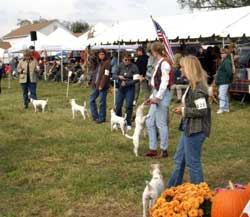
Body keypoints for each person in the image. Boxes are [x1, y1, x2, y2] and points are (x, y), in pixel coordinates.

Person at [168, 55, 211, 187]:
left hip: (196, 129)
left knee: (193, 163)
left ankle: (200, 195)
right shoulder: (192, 85)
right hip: (189, 127)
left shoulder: (198, 88)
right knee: (179, 159)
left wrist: (184, 111)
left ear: (189, 69)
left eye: (182, 67)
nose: (180, 70)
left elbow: (202, 111)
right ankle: (172, 190)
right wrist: (183, 108)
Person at [145, 42, 172, 158]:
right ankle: (153, 148)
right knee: (149, 121)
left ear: (155, 51)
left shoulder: (165, 63)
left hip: (163, 94)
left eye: (151, 51)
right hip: (156, 93)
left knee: (161, 123)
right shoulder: (159, 62)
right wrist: (152, 97)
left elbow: (164, 82)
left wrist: (157, 97)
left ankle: (164, 149)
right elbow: (156, 83)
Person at [114, 52, 140, 130]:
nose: (127, 61)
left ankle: (128, 123)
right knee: (118, 105)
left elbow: (136, 79)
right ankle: (119, 122)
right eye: (126, 60)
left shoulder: (134, 67)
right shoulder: (119, 66)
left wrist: (127, 83)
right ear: (122, 59)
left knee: (128, 105)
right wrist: (119, 77)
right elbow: (113, 75)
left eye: (129, 60)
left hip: (130, 88)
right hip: (121, 88)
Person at [89, 49, 111, 124]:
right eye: (100, 54)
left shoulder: (107, 63)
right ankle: (95, 116)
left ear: (105, 55)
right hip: (96, 85)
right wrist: (94, 54)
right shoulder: (98, 63)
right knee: (91, 100)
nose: (101, 56)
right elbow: (92, 60)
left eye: (102, 54)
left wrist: (102, 85)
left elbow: (106, 75)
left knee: (102, 102)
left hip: (103, 86)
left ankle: (102, 118)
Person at [215, 48, 232, 114]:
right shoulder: (224, 60)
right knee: (224, 95)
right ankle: (226, 108)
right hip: (223, 81)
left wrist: (227, 79)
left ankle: (221, 108)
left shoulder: (227, 61)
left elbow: (229, 72)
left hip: (224, 81)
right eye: (221, 53)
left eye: (223, 53)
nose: (221, 54)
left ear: (226, 54)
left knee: (221, 95)